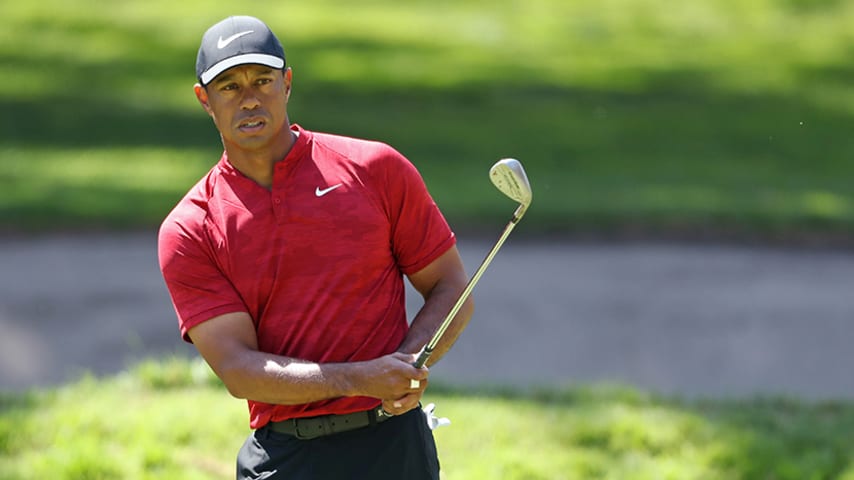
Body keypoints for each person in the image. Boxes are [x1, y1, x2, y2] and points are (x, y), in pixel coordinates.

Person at [157, 15, 474, 480]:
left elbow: (450, 287)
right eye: (228, 86)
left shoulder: (375, 169)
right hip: (287, 457)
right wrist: (359, 377)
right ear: (204, 99)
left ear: (286, 83)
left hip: (393, 445)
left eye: (262, 80)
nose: (249, 98)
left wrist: (408, 363)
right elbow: (238, 368)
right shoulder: (192, 228)